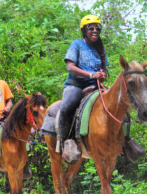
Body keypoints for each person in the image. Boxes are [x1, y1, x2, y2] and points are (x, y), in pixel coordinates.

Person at [59, 14, 144, 163]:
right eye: (90, 28)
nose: (95, 30)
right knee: (67, 107)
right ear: (84, 30)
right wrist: (91, 74)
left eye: (97, 28)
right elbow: (70, 67)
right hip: (76, 85)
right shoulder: (77, 44)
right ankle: (66, 143)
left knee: (121, 104)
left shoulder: (100, 49)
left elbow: (103, 72)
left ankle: (125, 141)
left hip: (95, 86)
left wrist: (101, 75)